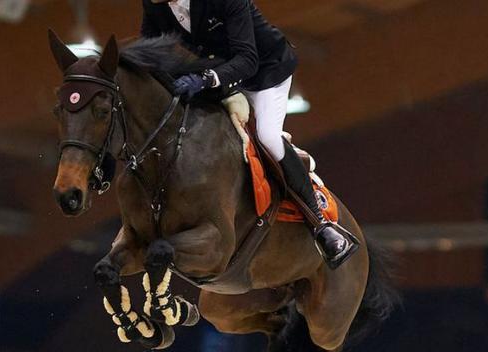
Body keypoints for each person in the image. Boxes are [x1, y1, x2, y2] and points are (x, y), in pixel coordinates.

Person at [140, 0, 359, 269]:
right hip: (217, 75)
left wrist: (206, 79)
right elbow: (151, 54)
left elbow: (247, 59)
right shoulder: (155, 4)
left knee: (267, 136)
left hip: (264, 72)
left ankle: (320, 223)